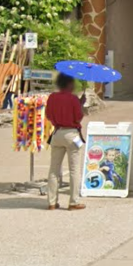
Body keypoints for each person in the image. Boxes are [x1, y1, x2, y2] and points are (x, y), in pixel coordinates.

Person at [45, 73, 86, 211]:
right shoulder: (73, 99)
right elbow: (78, 117)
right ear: (69, 84)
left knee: (54, 169)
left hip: (57, 133)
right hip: (71, 134)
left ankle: (52, 201)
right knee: (74, 169)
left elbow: (48, 115)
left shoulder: (52, 97)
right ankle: (73, 202)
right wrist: (80, 104)